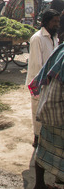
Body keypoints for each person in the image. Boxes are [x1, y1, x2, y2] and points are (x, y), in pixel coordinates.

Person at [28, 43, 63, 189]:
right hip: (59, 111)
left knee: (43, 146)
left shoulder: (61, 48)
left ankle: (39, 185)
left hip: (47, 106)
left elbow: (44, 72)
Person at [26, 9, 60, 147]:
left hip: (52, 81)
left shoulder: (54, 38)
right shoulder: (37, 38)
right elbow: (36, 65)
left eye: (58, 21)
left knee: (49, 111)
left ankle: (46, 137)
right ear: (46, 22)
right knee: (37, 110)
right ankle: (37, 137)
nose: (57, 24)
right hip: (39, 82)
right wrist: (40, 84)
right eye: (54, 21)